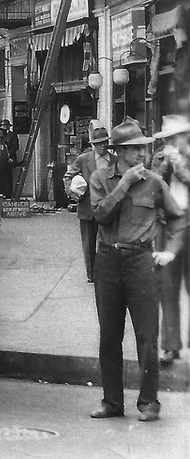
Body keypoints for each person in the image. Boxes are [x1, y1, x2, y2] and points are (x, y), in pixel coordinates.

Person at [88, 119, 185, 422]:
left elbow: (179, 220)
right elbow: (101, 215)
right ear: (117, 151)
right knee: (109, 335)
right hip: (108, 260)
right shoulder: (100, 178)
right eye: (132, 149)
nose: (140, 154)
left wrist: (169, 251)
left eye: (142, 147)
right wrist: (125, 183)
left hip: (141, 262)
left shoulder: (156, 182)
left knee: (146, 335)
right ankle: (112, 402)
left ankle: (149, 403)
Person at [153, 114, 190, 367]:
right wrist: (166, 167)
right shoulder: (157, 159)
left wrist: (183, 170)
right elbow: (154, 189)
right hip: (169, 227)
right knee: (167, 286)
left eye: (177, 137)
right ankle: (170, 345)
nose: (173, 142)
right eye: (169, 138)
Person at [64, 121, 113, 282]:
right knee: (89, 243)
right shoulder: (84, 159)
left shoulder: (114, 160)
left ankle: (107, 272)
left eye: (105, 142)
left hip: (108, 207)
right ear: (93, 144)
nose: (102, 146)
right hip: (87, 207)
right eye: (98, 143)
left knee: (108, 241)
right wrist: (73, 192)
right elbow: (68, 176)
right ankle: (91, 274)